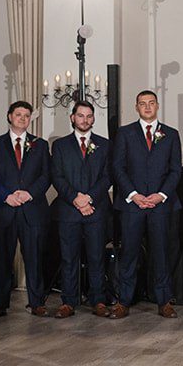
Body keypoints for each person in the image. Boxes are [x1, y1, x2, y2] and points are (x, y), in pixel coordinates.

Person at [111, 90, 182, 318]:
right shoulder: (125, 133)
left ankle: (164, 301)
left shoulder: (170, 134)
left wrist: (161, 195)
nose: (147, 107)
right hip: (132, 204)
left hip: (160, 205)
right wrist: (133, 194)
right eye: (143, 104)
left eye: (151, 103)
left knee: (161, 253)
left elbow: (175, 170)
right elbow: (118, 167)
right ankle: (123, 301)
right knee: (129, 253)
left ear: (158, 106)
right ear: (137, 107)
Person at [0, 100, 51, 318]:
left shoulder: (40, 145)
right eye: (19, 114)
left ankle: (37, 302)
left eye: (27, 115)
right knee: (2, 259)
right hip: (4, 210)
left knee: (34, 258)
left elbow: (46, 176)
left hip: (32, 210)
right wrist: (7, 196)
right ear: (10, 116)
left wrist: (29, 193)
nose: (23, 118)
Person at [51, 100, 112, 319]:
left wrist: (89, 198)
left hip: (96, 211)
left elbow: (107, 176)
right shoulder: (60, 145)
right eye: (80, 116)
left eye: (89, 116)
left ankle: (99, 300)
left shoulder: (104, 145)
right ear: (72, 118)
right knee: (69, 258)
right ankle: (69, 301)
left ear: (93, 119)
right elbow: (56, 176)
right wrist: (76, 199)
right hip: (69, 210)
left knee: (97, 257)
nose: (84, 120)